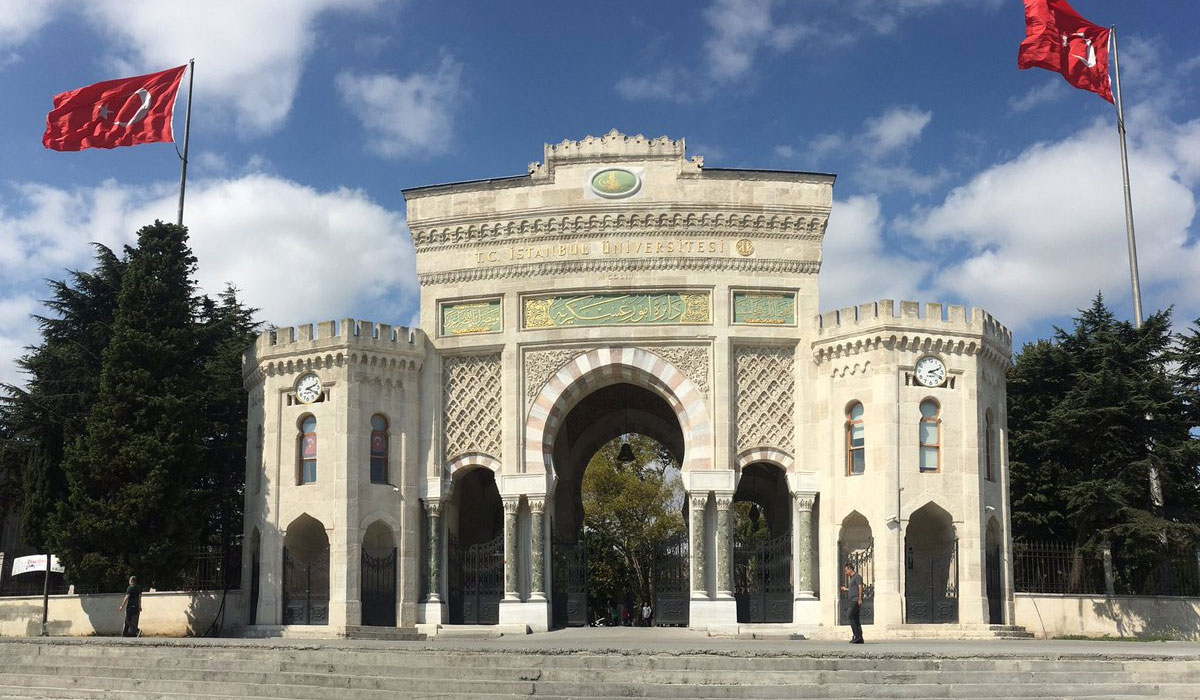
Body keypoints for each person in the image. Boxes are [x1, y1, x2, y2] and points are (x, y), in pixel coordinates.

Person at [839, 563, 864, 644]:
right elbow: (853, 589)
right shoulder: (852, 578)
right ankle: (859, 637)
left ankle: (857, 636)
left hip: (855, 600)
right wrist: (846, 589)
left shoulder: (857, 577)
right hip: (853, 599)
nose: (846, 573)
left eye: (846, 571)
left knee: (849, 615)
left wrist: (860, 599)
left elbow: (860, 587)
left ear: (850, 569)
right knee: (856, 618)